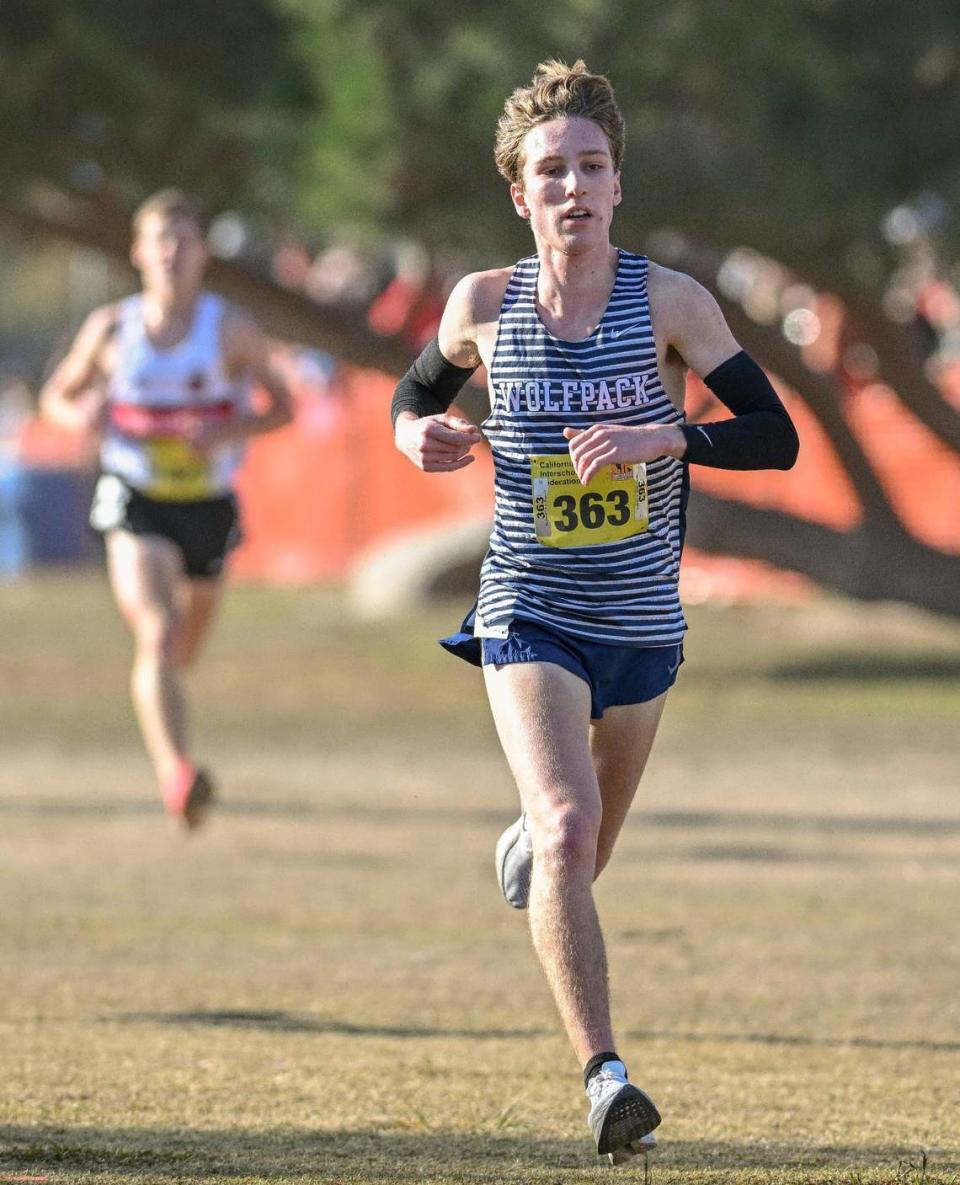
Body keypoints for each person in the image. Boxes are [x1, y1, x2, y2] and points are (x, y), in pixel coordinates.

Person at [391, 61, 798, 1164]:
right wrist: (410, 435)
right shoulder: (482, 304)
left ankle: (533, 838)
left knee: (578, 853)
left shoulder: (671, 304)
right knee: (572, 831)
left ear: (619, 185)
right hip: (529, 607)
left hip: (641, 627)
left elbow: (778, 438)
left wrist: (672, 435)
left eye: (592, 167)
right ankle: (605, 1078)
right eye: (550, 172)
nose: (574, 187)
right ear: (519, 196)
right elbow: (418, 392)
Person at [41, 188, 293, 828]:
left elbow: (284, 407)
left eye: (184, 240)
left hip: (208, 503)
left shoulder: (230, 329)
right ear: (138, 252)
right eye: (160, 240)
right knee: (156, 632)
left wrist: (230, 431)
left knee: (183, 648)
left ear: (202, 252)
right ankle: (177, 775)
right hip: (136, 495)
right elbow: (56, 398)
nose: (172, 253)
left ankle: (166, 707)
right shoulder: (112, 329)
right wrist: (83, 413)